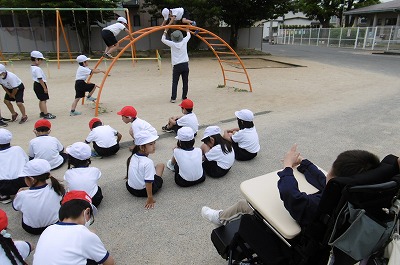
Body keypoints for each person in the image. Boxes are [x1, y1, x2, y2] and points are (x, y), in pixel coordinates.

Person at [201, 145, 383, 264]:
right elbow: (328, 185)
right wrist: (303, 163)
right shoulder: (355, 200)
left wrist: (287, 167)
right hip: (323, 247)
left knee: (246, 206)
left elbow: (291, 196)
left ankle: (218, 217)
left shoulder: (315, 205)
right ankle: (219, 216)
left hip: (294, 248)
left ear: (334, 178)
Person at [33, 190, 115, 265]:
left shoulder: (48, 230)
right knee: (94, 258)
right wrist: (91, 236)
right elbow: (109, 262)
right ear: (87, 212)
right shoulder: (84, 234)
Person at [13, 159, 65, 235]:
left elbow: (15, 207)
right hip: (54, 225)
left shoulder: (23, 194)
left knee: (23, 207)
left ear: (31, 179)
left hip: (31, 229)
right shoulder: (56, 188)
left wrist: (18, 193)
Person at [126, 130, 164, 209]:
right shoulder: (148, 162)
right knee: (160, 165)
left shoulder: (132, 157)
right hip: (143, 191)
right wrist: (150, 198)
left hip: (130, 188)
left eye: (154, 143)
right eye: (150, 144)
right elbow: (148, 182)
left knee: (150, 169)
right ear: (141, 147)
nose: (154, 146)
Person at [64, 142, 103, 207]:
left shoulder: (68, 173)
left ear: (71, 159)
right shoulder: (94, 170)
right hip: (93, 201)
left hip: (75, 204)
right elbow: (97, 177)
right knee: (97, 187)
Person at [161, 27, 191, 103]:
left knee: (175, 82)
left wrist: (165, 31)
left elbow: (163, 39)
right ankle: (184, 97)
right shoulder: (184, 41)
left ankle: (173, 98)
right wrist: (187, 30)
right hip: (185, 65)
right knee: (185, 82)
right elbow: (188, 35)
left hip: (177, 66)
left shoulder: (172, 44)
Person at [0, 128, 28, 204]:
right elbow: (27, 161)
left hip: (3, 186)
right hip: (22, 182)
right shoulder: (18, 149)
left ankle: (4, 195)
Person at [30, 50, 56, 119]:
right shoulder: (37, 69)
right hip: (40, 84)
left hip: (36, 84)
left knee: (41, 99)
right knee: (43, 100)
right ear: (36, 59)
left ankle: (42, 112)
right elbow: (40, 78)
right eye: (40, 59)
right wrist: (44, 88)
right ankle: (46, 114)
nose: (41, 61)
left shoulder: (32, 67)